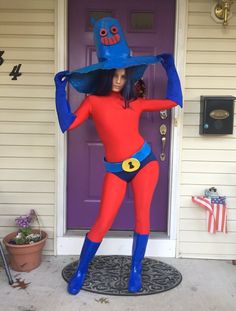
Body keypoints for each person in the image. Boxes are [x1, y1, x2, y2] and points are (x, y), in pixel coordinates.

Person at [54, 17, 182, 295]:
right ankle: (81, 271)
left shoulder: (133, 102)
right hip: (115, 169)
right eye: (114, 75)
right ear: (104, 74)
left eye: (124, 76)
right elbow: (67, 124)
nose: (119, 80)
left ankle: (135, 271)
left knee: (142, 218)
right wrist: (59, 92)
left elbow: (173, 101)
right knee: (102, 221)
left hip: (145, 164)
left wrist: (170, 68)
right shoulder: (93, 101)